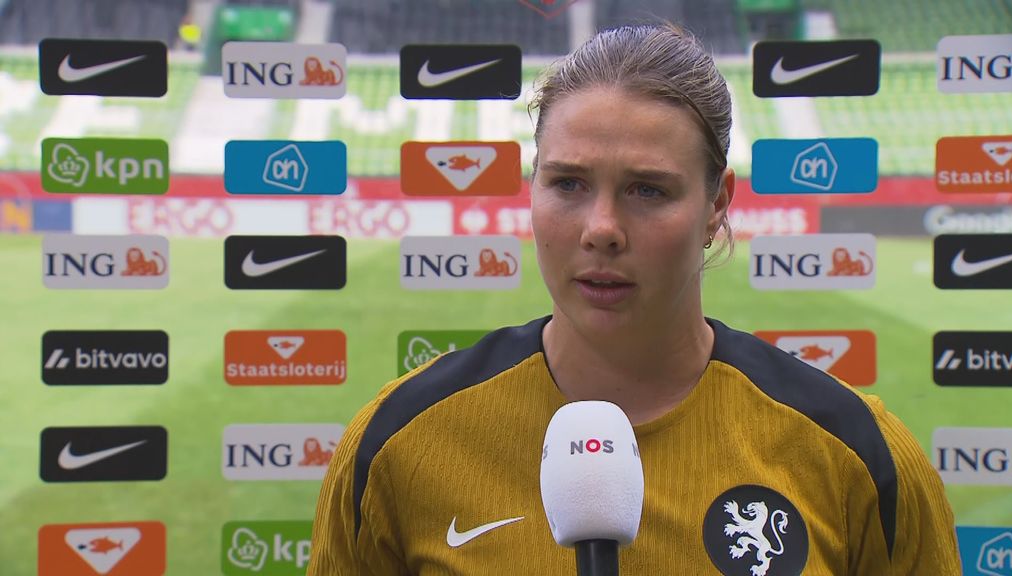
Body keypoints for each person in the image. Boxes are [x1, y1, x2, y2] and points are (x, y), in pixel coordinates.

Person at [308, 23, 960, 575]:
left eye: (648, 190)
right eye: (568, 184)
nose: (602, 229)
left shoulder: (856, 454)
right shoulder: (398, 443)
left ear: (717, 205)